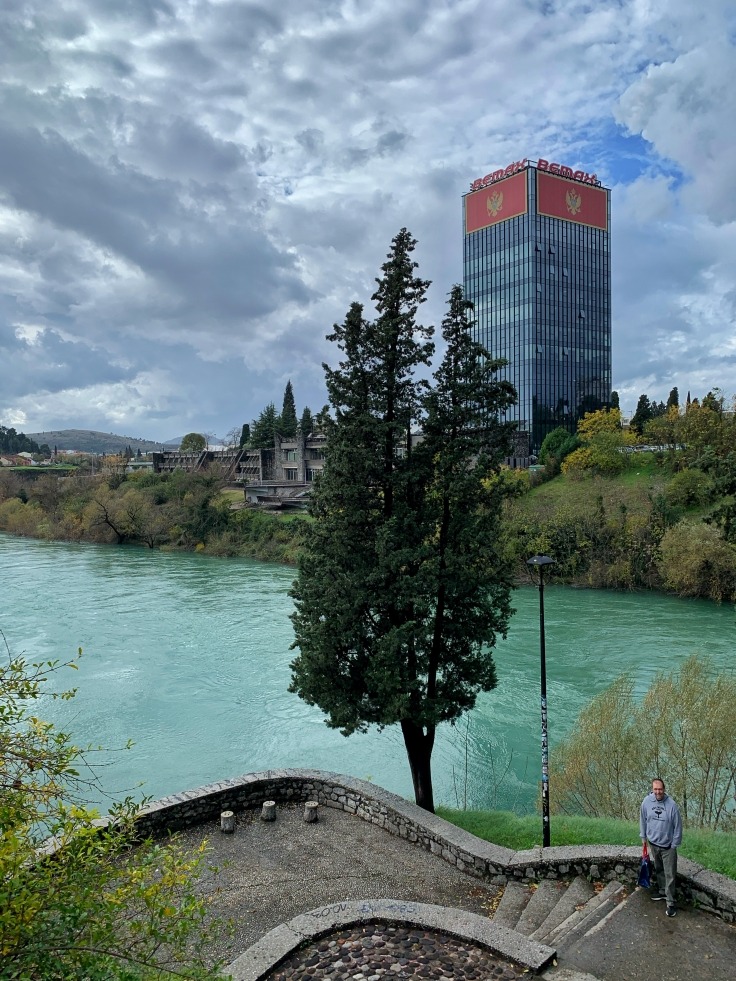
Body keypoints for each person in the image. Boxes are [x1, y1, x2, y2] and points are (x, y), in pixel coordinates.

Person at [640, 777, 683, 917]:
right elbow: (643, 820)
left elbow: (678, 826)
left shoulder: (672, 805)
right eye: (655, 789)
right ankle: (662, 891)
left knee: (670, 873)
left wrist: (674, 844)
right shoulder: (646, 802)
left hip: (668, 846)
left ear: (664, 789)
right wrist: (643, 837)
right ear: (652, 789)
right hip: (653, 843)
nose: (658, 792)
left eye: (660, 789)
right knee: (659, 869)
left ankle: (670, 902)